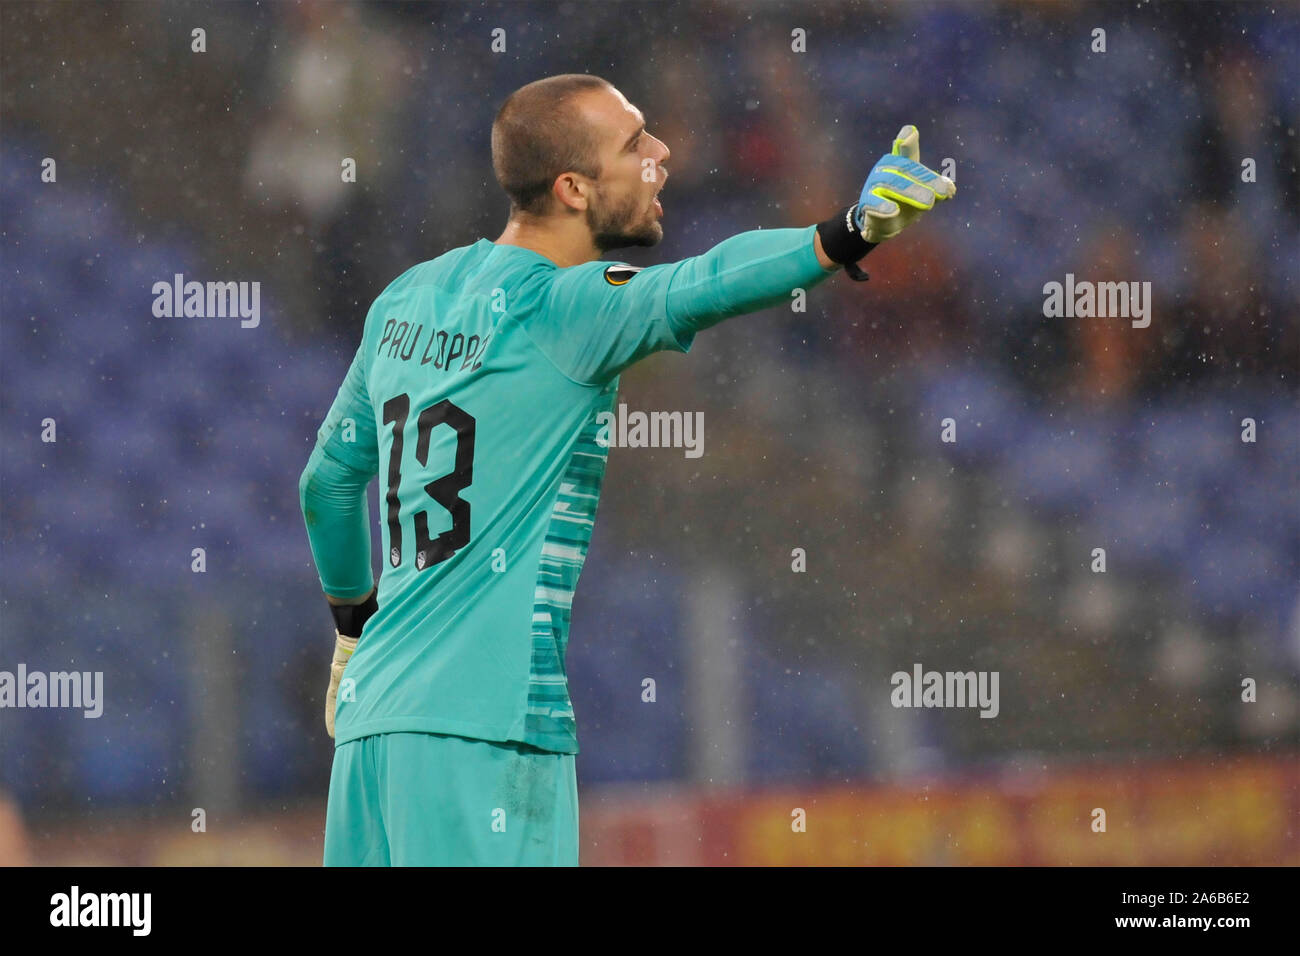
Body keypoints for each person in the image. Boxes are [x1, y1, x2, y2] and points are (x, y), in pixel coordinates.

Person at [298, 73, 955, 866]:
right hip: (485, 728)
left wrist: (351, 632)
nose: (662, 153)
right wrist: (847, 232)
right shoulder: (567, 308)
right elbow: (702, 282)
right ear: (574, 188)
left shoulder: (405, 297)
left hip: (373, 735)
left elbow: (326, 487)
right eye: (635, 143)